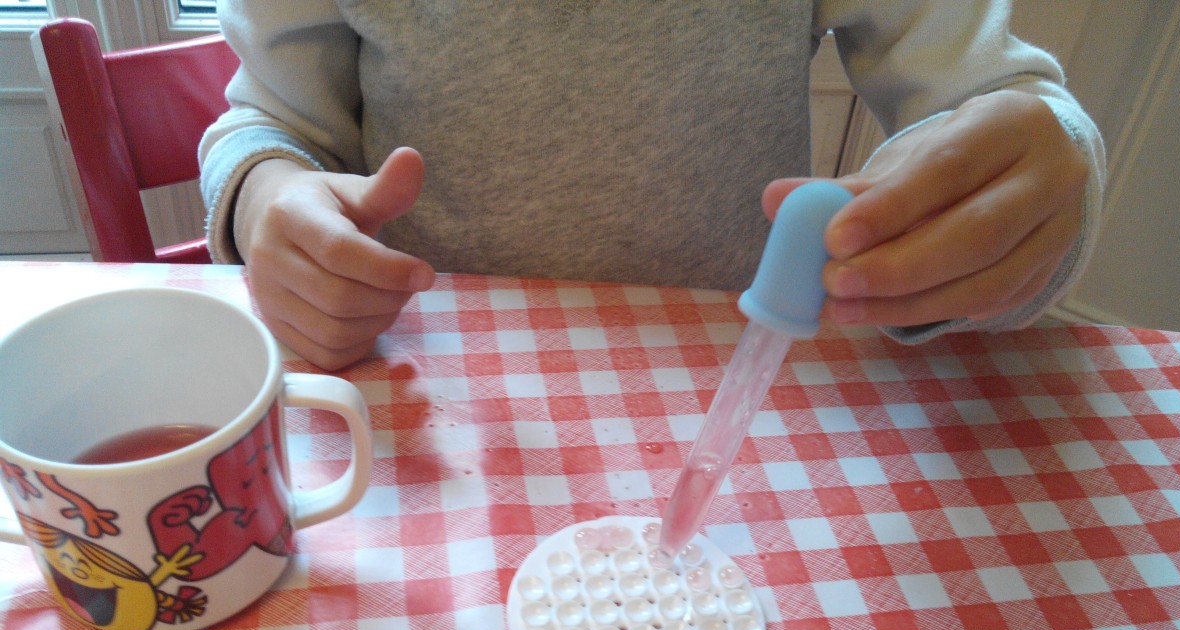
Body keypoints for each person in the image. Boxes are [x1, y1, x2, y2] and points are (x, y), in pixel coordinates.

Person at [200, 2, 1105, 371]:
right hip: (430, 384)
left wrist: (1046, 156)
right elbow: (269, 122)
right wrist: (268, 197)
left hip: (747, 382)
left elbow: (994, 97)